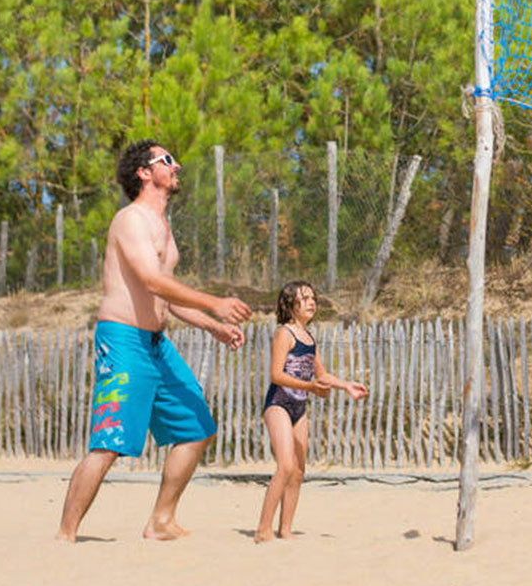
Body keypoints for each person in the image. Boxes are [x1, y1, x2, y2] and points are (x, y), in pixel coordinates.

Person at [56, 140, 253, 542]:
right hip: (123, 341)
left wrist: (210, 326)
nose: (176, 165)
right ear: (144, 173)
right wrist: (215, 303)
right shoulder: (130, 220)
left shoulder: (163, 226)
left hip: (156, 343)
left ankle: (160, 521)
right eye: (167, 160)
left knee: (197, 427)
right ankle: (66, 534)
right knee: (108, 443)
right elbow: (150, 280)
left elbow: (163, 295)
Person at [255, 280, 368, 543]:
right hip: (279, 405)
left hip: (299, 408)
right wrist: (310, 387)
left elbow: (323, 374)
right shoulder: (285, 333)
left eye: (313, 298)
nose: (311, 302)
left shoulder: (310, 337)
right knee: (284, 465)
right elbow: (276, 374)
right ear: (290, 304)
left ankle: (285, 529)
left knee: (298, 471)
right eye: (304, 298)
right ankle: (263, 528)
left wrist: (346, 386)